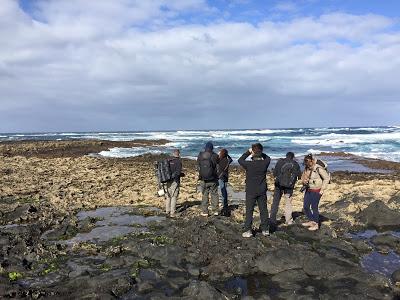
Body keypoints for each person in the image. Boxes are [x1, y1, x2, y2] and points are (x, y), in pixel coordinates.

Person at [238, 143, 271, 238]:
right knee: (263, 210)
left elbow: (240, 160)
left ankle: (248, 230)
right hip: (261, 190)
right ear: (261, 152)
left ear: (253, 153)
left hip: (250, 190)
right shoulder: (265, 163)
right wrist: (260, 152)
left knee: (249, 210)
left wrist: (248, 152)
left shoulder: (249, 164)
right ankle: (265, 230)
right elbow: (268, 158)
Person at [270, 152, 301, 227]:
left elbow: (274, 174)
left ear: (286, 156)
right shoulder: (295, 164)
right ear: (293, 157)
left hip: (279, 185)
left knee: (275, 202)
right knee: (288, 202)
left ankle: (272, 220)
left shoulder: (280, 162)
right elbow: (299, 176)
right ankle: (288, 220)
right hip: (289, 187)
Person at [301, 154, 330, 231]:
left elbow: (326, 178)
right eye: (306, 164)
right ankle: (312, 221)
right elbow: (303, 177)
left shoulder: (318, 168)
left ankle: (316, 224)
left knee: (314, 207)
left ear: (312, 161)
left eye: (309, 164)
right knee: (306, 206)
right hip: (309, 189)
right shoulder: (306, 167)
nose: (308, 165)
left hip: (317, 190)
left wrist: (322, 189)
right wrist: (304, 181)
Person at [197, 142, 220, 216]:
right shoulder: (215, 156)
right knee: (214, 194)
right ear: (212, 148)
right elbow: (218, 168)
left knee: (204, 195)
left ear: (205, 148)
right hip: (213, 179)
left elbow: (198, 166)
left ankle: (205, 211)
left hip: (203, 179)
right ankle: (215, 210)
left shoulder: (200, 155)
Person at [165, 149, 183, 218]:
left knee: (168, 196)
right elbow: (178, 173)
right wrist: (182, 174)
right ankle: (172, 213)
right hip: (175, 181)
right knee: (174, 196)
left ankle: (167, 210)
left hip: (167, 180)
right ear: (179, 154)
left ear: (173, 154)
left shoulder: (169, 161)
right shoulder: (178, 162)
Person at [217, 149, 233, 216]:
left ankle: (224, 205)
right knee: (224, 191)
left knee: (223, 191)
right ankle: (225, 204)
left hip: (220, 177)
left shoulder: (219, 160)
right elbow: (231, 159)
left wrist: (219, 154)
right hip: (225, 177)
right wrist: (227, 155)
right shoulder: (227, 160)